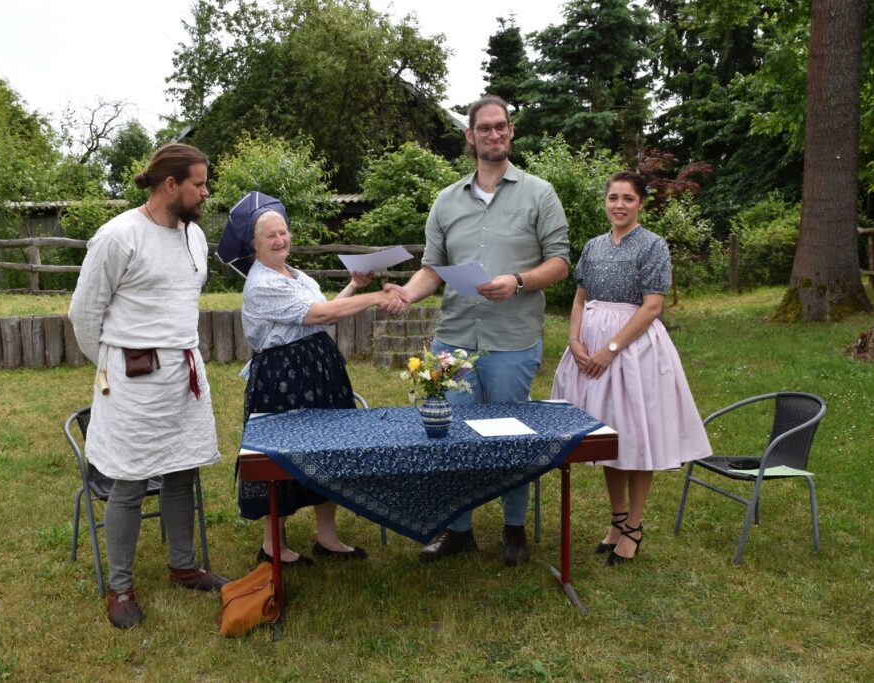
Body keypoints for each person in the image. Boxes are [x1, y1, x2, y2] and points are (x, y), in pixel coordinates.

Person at [385, 95, 571, 566]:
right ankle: (458, 529)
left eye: (501, 127)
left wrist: (520, 281)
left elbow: (561, 263)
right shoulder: (447, 201)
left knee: (512, 437)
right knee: (452, 437)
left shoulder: (539, 193)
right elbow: (432, 268)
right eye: (484, 128)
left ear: (511, 132)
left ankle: (513, 528)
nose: (493, 134)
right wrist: (408, 293)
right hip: (455, 342)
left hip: (512, 339)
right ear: (469, 136)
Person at [68, 143, 228, 629]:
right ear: (170, 185)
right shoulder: (119, 236)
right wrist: (113, 365)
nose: (205, 192)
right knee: (130, 480)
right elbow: (84, 313)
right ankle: (120, 588)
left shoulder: (195, 236)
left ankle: (183, 566)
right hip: (133, 380)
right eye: (198, 184)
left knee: (182, 471)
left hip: (184, 375)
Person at [218, 191, 407, 566]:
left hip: (319, 369)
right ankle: (273, 545)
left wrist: (354, 285)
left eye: (283, 232)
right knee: (283, 456)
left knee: (329, 449)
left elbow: (325, 310)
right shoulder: (262, 284)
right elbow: (319, 315)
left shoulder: (295, 273)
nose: (280, 239)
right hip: (283, 378)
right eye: (270, 235)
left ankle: (328, 537)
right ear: (254, 245)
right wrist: (372, 299)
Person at [551, 171, 712, 565]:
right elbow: (578, 299)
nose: (619, 205)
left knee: (637, 436)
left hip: (634, 351)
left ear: (640, 203)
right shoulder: (592, 246)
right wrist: (575, 341)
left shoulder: (653, 245)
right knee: (609, 437)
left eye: (627, 198)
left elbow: (653, 306)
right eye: (612, 197)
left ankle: (634, 527)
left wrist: (611, 347)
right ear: (605, 201)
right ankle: (617, 520)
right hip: (589, 350)